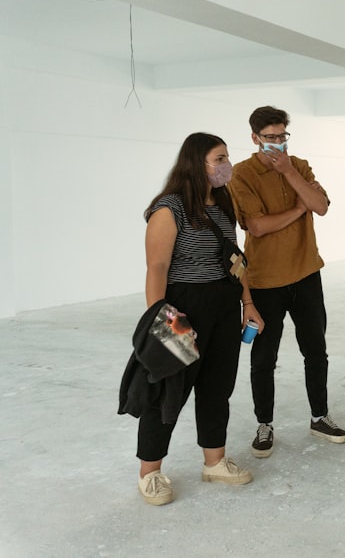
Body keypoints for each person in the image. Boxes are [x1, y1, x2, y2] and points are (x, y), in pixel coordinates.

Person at [134, 132, 261, 505]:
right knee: (167, 390)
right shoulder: (169, 209)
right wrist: (160, 320)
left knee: (217, 387)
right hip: (181, 309)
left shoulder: (221, 207)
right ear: (197, 163)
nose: (226, 165)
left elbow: (235, 260)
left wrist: (248, 302)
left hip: (223, 304)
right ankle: (151, 473)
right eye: (219, 159)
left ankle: (214, 461)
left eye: (226, 158)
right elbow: (156, 267)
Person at [229, 106, 345, 458]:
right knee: (264, 357)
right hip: (265, 280)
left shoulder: (300, 164)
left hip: (307, 271)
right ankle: (264, 424)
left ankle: (320, 416)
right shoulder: (242, 174)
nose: (278, 143)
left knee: (316, 349)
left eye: (282, 136)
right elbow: (257, 226)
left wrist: (291, 174)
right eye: (271, 138)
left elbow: (322, 206)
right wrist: (300, 208)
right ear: (255, 138)